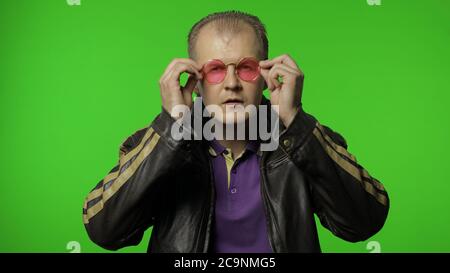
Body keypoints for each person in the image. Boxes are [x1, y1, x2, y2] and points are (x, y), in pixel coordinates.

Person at [82, 10, 389, 253]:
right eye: (215, 69)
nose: (231, 83)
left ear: (266, 74)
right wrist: (172, 128)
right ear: (195, 80)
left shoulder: (303, 141)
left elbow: (364, 222)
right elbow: (104, 231)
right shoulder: (159, 143)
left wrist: (295, 121)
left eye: (245, 68)